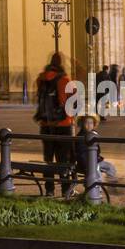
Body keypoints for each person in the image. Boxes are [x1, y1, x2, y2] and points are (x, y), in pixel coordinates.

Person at [33, 52, 75, 197]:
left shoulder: (41, 79)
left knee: (48, 159)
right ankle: (65, 189)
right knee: (64, 159)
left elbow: (39, 98)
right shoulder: (65, 80)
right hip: (63, 124)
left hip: (46, 124)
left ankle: (49, 189)